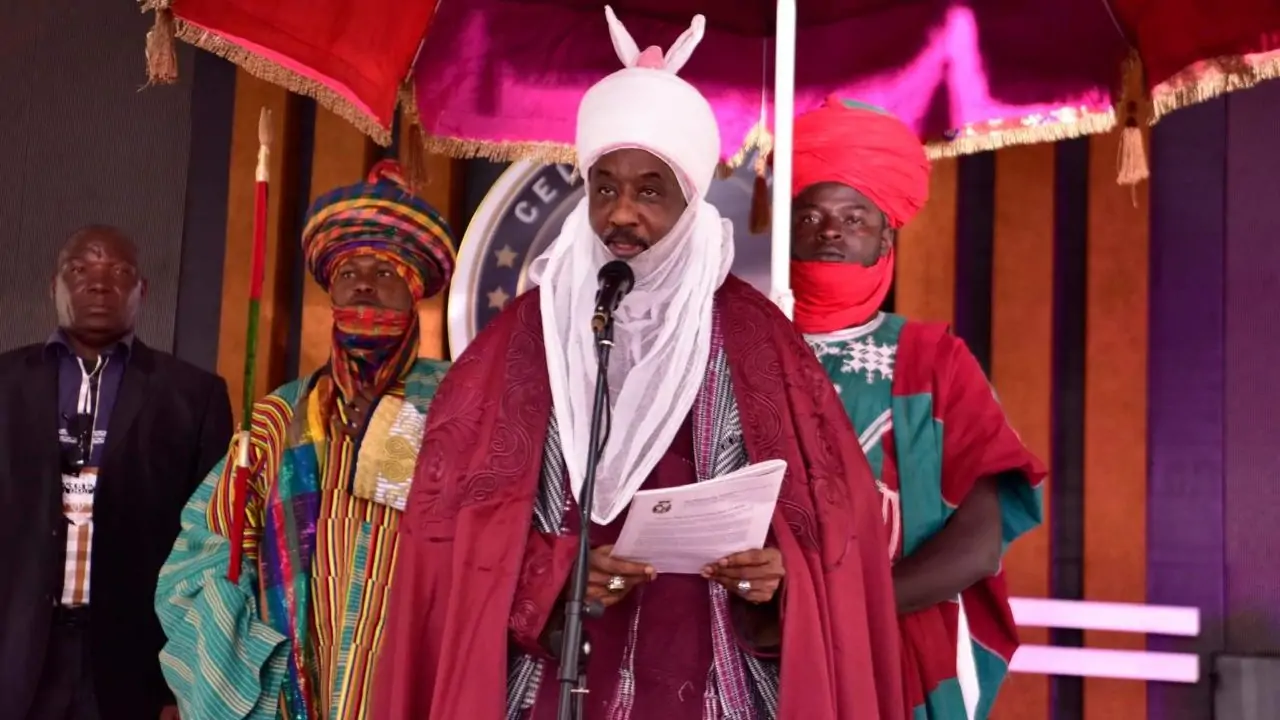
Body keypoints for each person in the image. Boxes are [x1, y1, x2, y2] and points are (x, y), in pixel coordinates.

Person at [374, 9, 903, 720]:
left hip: (713, 681)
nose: (622, 213)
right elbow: (449, 534)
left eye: (650, 190)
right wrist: (553, 576)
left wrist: (781, 578)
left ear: (690, 199)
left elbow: (839, 537)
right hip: (558, 680)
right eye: (605, 187)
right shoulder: (520, 339)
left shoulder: (758, 339)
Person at [154, 160, 456, 720]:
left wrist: (398, 442)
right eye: (348, 272)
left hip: (416, 679)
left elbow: (486, 531)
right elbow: (205, 553)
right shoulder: (280, 416)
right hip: (296, 691)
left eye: (384, 272)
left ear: (414, 291)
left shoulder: (456, 405)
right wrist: (250, 655)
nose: (363, 283)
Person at [788, 97, 1047, 720]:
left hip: (891, 651)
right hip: (750, 647)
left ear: (886, 235)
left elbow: (978, 545)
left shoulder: (934, 361)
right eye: (811, 215)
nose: (830, 231)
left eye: (854, 217)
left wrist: (840, 608)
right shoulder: (738, 345)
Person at [0, 225, 233, 720]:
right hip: (15, 654)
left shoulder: (195, 396)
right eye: (80, 269)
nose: (99, 283)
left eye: (118, 271)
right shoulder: (4, 383)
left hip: (136, 660)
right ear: (55, 286)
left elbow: (210, 545)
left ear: (141, 289)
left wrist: (182, 680)